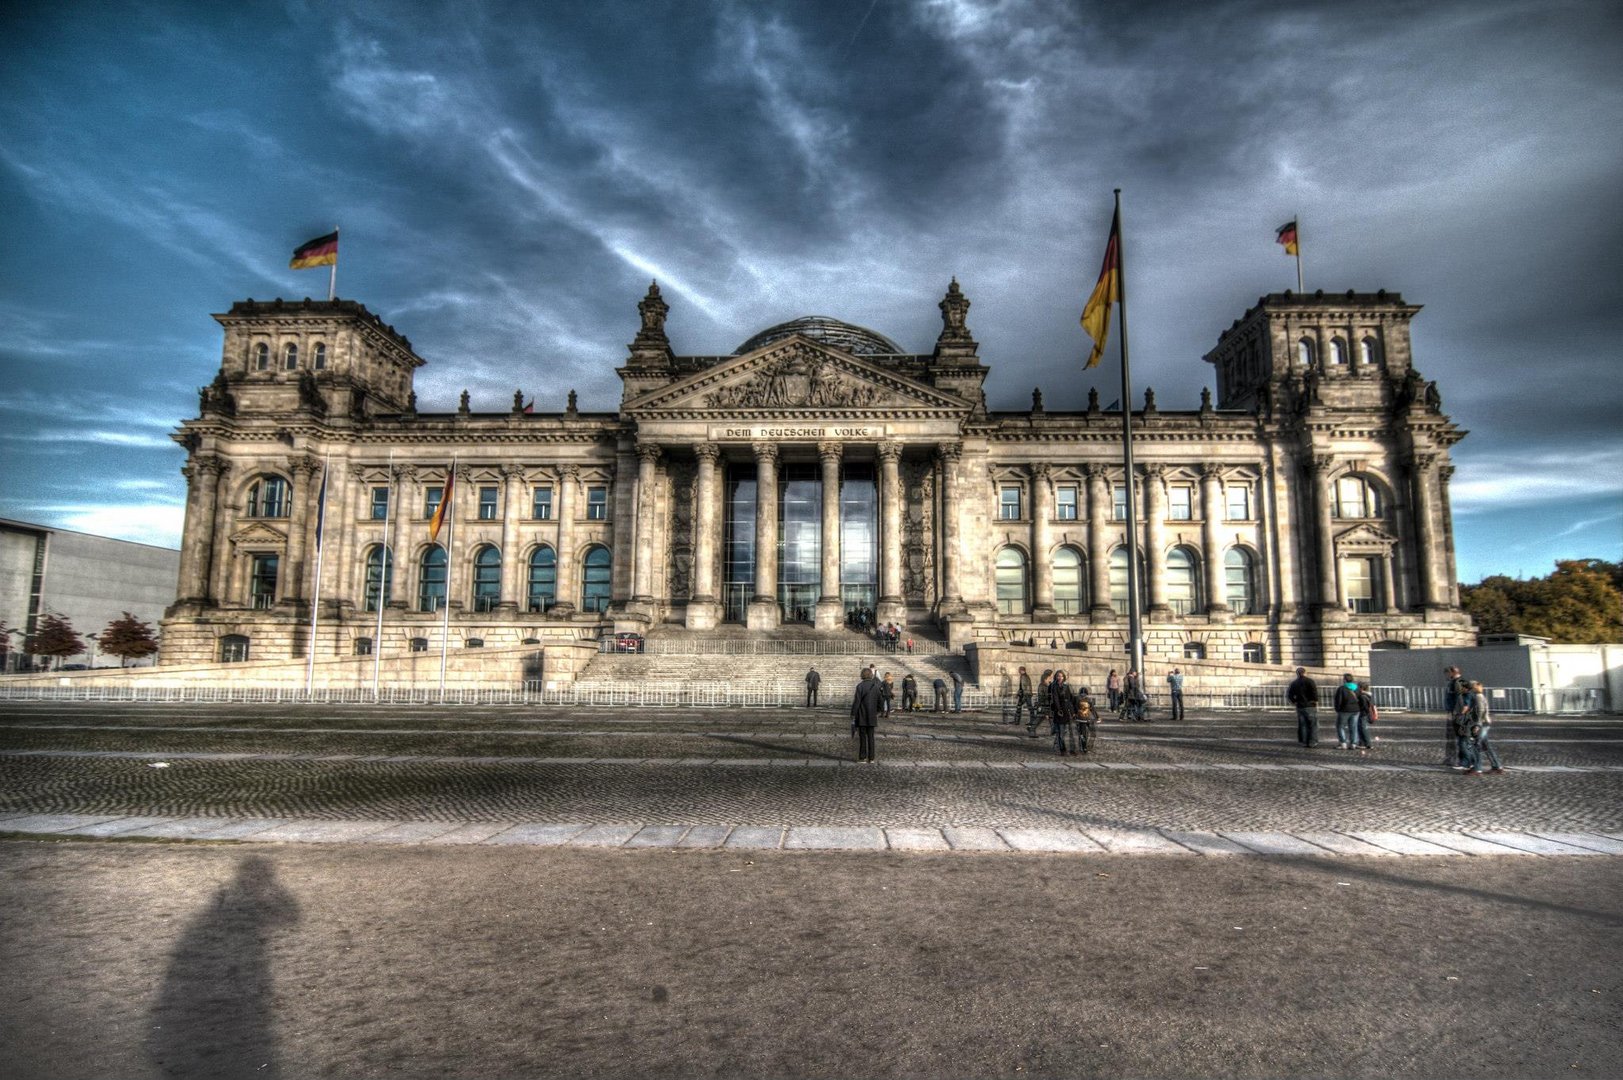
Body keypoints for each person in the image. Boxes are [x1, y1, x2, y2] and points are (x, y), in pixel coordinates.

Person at [1464, 680, 1505, 775]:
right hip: (1484, 723)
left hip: (1481, 724)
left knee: (1476, 745)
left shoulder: (1478, 697)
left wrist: (1477, 725)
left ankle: (1477, 768)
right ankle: (1497, 766)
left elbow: (1480, 712)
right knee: (1486, 746)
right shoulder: (1480, 696)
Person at [850, 666, 882, 763]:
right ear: (871, 675)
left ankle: (862, 757)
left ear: (862, 675)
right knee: (871, 737)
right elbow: (880, 701)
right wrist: (878, 711)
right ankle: (871, 758)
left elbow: (857, 702)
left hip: (862, 715)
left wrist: (853, 714)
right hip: (872, 715)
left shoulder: (860, 686)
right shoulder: (875, 686)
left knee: (862, 737)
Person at [1444, 665, 1471, 769]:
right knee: (1456, 738)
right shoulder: (1452, 682)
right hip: (1453, 712)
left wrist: (1464, 708)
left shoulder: (1460, 682)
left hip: (1458, 713)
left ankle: (1466, 761)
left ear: (1452, 672)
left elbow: (1467, 697)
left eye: (1448, 673)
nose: (1447, 675)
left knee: (1462, 739)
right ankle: (1459, 760)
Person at [1048, 669, 1080, 755]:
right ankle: (1063, 749)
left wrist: (1073, 711)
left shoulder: (1066, 686)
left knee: (1071, 731)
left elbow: (1070, 699)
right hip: (1060, 711)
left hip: (1067, 710)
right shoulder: (1054, 687)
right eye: (1058, 676)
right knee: (1061, 732)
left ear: (1064, 677)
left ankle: (1073, 749)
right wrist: (1059, 710)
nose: (1060, 677)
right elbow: (1055, 699)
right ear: (1056, 677)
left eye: (1061, 676)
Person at [1287, 666, 1320, 747]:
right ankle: (1312, 742)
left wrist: (1294, 702)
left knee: (1303, 725)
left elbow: (1289, 694)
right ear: (1305, 672)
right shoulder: (1310, 681)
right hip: (1310, 705)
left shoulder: (1294, 683)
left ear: (1297, 674)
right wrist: (1316, 702)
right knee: (1313, 725)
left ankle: (1304, 741)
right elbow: (1314, 693)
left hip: (1300, 705)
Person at [1332, 674, 1360, 750]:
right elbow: (1360, 698)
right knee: (1353, 727)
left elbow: (1338, 700)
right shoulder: (1357, 688)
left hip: (1344, 710)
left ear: (1344, 680)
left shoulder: (1341, 689)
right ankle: (1353, 743)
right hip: (1355, 710)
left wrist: (1337, 709)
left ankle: (1343, 743)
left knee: (1340, 726)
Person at [1353, 682, 1377, 754]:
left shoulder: (1362, 696)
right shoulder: (1368, 695)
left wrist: (1359, 709)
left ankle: (1367, 743)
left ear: (1361, 688)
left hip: (1363, 714)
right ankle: (1362, 743)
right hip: (1364, 714)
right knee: (1361, 728)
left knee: (1363, 728)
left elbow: (1364, 706)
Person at [1074, 686, 1098, 753]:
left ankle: (1084, 747)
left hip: (1084, 718)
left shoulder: (1078, 699)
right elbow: (1092, 709)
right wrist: (1097, 717)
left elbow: (1092, 709)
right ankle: (1085, 747)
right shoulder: (1085, 699)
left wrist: (1097, 717)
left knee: (1083, 734)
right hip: (1085, 719)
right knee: (1087, 734)